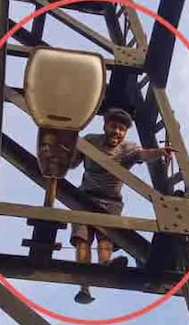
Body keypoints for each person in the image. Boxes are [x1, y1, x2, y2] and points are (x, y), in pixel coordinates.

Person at [67, 108, 175, 304]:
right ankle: (84, 286)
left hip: (111, 202)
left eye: (121, 129)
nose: (117, 131)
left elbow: (142, 154)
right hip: (84, 198)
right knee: (83, 239)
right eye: (113, 126)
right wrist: (65, 145)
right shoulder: (90, 141)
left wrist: (159, 152)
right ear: (105, 126)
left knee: (106, 238)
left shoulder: (128, 149)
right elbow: (72, 163)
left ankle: (106, 264)